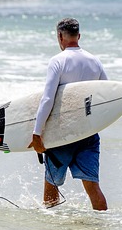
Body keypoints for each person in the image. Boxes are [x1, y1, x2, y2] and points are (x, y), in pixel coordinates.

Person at [28, 18, 108, 211]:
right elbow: (106, 96)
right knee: (93, 187)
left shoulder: (58, 61)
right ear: (78, 36)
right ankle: (104, 226)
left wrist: (37, 133)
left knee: (51, 184)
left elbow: (47, 99)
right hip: (88, 134)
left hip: (61, 135)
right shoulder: (95, 61)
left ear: (60, 36)